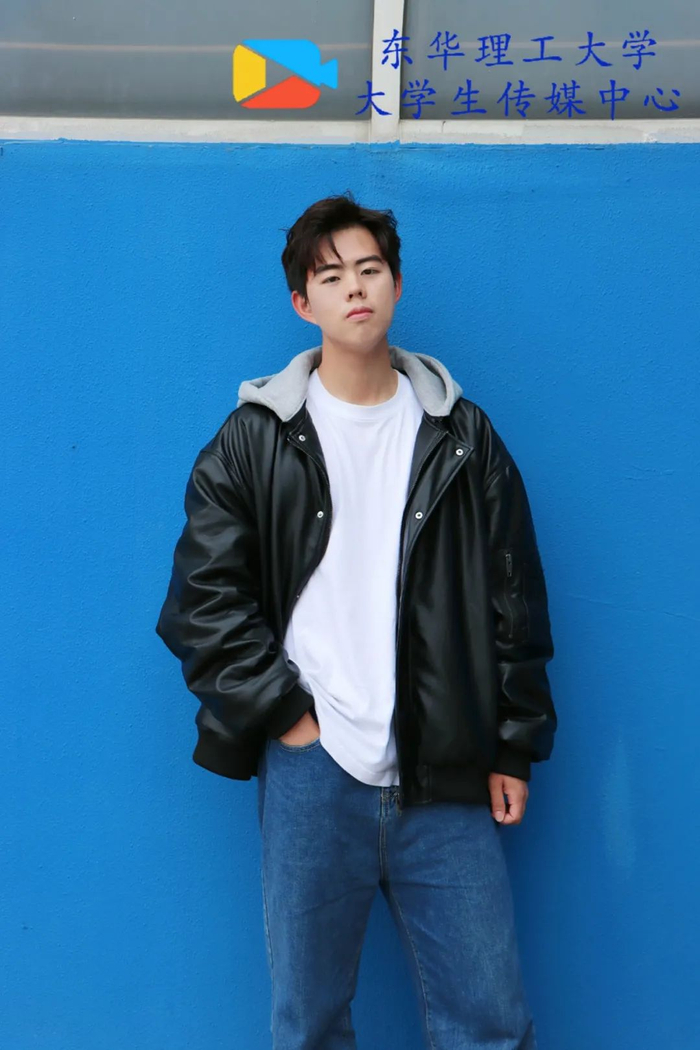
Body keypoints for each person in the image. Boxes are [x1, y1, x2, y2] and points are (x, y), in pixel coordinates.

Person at [155, 191, 557, 1049]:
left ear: (397, 285)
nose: (355, 288)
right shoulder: (254, 439)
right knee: (309, 1024)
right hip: (312, 773)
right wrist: (288, 718)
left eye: (369, 269)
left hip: (446, 766)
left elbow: (513, 594)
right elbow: (201, 599)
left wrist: (513, 744)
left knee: (489, 1022)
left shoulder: (462, 436)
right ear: (303, 302)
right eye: (330, 276)